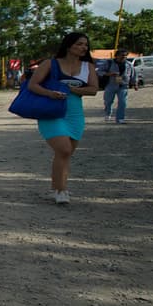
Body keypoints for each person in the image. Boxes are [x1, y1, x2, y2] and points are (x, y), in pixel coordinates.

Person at [28, 31, 100, 205]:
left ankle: (57, 185)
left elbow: (93, 89)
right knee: (64, 149)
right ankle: (62, 191)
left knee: (65, 154)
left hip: (75, 114)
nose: (83, 48)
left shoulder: (87, 67)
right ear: (68, 46)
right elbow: (33, 85)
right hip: (52, 111)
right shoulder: (50, 64)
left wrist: (71, 90)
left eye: (85, 45)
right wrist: (50, 93)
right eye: (79, 44)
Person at [102, 49, 136, 123]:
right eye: (122, 55)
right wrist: (110, 74)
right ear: (116, 56)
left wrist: (134, 83)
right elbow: (99, 71)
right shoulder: (109, 63)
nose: (124, 57)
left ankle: (120, 118)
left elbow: (133, 75)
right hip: (110, 84)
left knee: (123, 102)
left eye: (125, 55)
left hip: (123, 85)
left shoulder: (129, 64)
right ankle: (108, 114)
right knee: (108, 101)